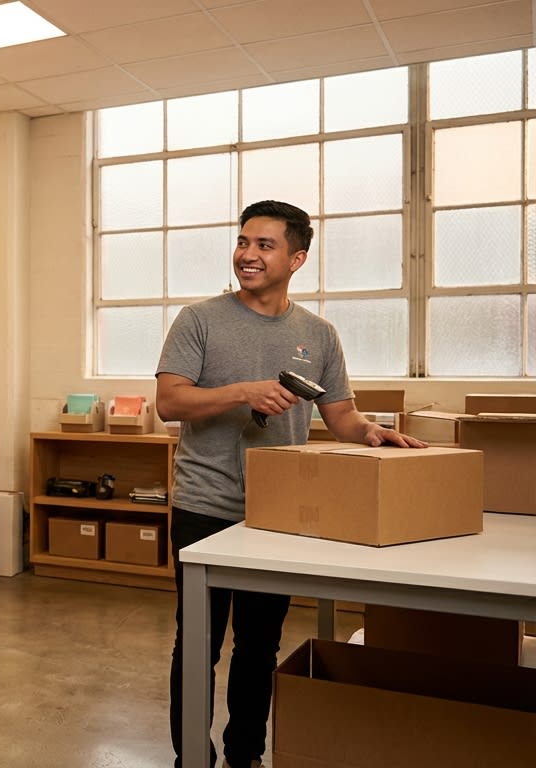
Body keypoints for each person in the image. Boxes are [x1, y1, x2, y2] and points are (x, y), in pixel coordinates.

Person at [155, 199, 426, 768]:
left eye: (264, 245)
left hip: (277, 515)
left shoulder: (318, 335)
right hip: (206, 507)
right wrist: (243, 391)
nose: (247, 255)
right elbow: (169, 402)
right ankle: (191, 759)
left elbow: (342, 417)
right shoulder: (199, 319)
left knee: (259, 646)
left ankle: (244, 755)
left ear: (297, 258)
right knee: (197, 645)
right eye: (243, 242)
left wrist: (374, 433)